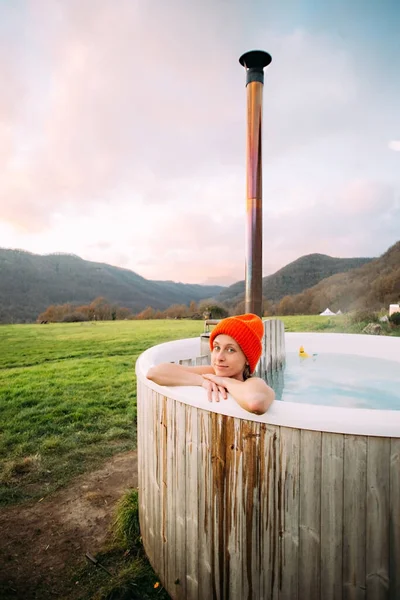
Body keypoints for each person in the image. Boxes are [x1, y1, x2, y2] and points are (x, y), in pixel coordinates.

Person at [146, 313, 275, 415]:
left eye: (230, 350)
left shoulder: (253, 383)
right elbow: (154, 373)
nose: (219, 357)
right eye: (217, 347)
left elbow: (255, 403)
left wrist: (223, 382)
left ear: (247, 359)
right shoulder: (209, 373)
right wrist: (200, 380)